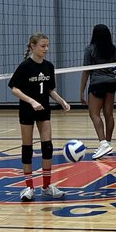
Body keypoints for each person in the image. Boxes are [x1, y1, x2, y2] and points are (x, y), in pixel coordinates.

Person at [9, 33, 72, 201]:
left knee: (47, 147)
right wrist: (31, 101)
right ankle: (29, 187)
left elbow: (50, 89)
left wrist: (62, 101)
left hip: (44, 110)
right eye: (43, 46)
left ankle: (46, 186)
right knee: (27, 148)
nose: (46, 49)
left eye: (47, 46)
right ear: (32, 46)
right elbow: (14, 88)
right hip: (27, 110)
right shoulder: (24, 67)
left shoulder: (49, 66)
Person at [79, 24, 116, 159]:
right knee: (109, 114)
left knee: (94, 114)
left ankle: (103, 144)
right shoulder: (113, 49)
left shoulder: (90, 49)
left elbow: (86, 71)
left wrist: (81, 92)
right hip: (111, 83)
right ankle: (107, 143)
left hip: (97, 83)